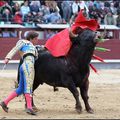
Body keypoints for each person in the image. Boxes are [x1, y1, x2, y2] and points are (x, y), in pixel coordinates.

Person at [0, 31, 39, 115]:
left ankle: (5, 102)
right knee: (29, 85)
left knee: (21, 88)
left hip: (24, 66)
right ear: (31, 38)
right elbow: (15, 48)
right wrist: (8, 57)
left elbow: (37, 56)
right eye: (36, 39)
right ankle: (29, 107)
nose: (37, 40)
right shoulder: (23, 42)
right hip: (28, 65)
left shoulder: (34, 47)